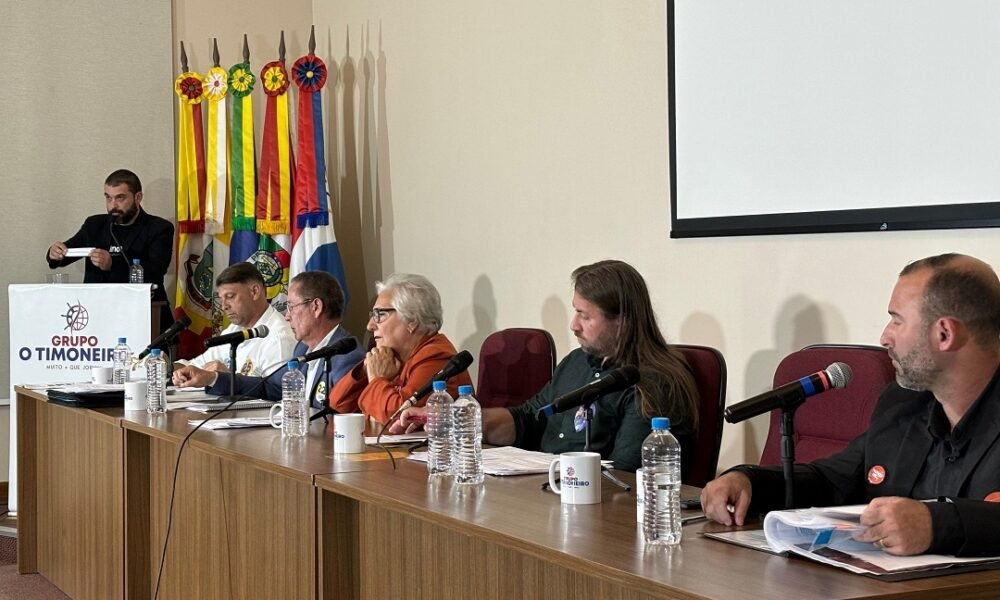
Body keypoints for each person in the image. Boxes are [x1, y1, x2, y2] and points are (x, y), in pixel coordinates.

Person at [701, 253, 1000, 557]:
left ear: (944, 333)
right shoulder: (903, 404)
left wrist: (937, 525)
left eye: (897, 320)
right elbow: (832, 481)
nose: (884, 337)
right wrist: (750, 481)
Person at [392, 260, 700, 472]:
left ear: (622, 321)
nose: (573, 325)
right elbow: (530, 418)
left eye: (585, 316)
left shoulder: (653, 384)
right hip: (549, 494)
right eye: (575, 312)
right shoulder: (577, 362)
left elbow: (627, 476)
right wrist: (454, 419)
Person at [173, 271, 365, 405]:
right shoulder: (302, 349)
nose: (287, 316)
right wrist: (212, 378)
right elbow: (269, 387)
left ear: (316, 307)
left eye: (292, 307)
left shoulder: (346, 357)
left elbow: (337, 416)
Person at [327, 273, 473, 424]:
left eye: (380, 314)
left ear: (412, 320)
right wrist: (366, 369)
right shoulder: (391, 357)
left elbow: (398, 416)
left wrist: (377, 379)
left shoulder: (436, 358)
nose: (370, 325)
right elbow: (338, 405)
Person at [46, 169, 174, 329]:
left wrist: (112, 264)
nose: (113, 205)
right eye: (108, 198)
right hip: (96, 315)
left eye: (120, 198)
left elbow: (156, 270)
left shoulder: (159, 228)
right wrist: (54, 253)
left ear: (138, 197)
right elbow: (66, 253)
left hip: (143, 315)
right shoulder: (94, 225)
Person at [174, 262, 296, 377]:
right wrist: (169, 367)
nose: (224, 306)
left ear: (254, 292)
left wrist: (226, 378)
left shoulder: (279, 338)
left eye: (230, 296)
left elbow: (274, 390)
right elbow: (195, 366)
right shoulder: (234, 329)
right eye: (221, 299)